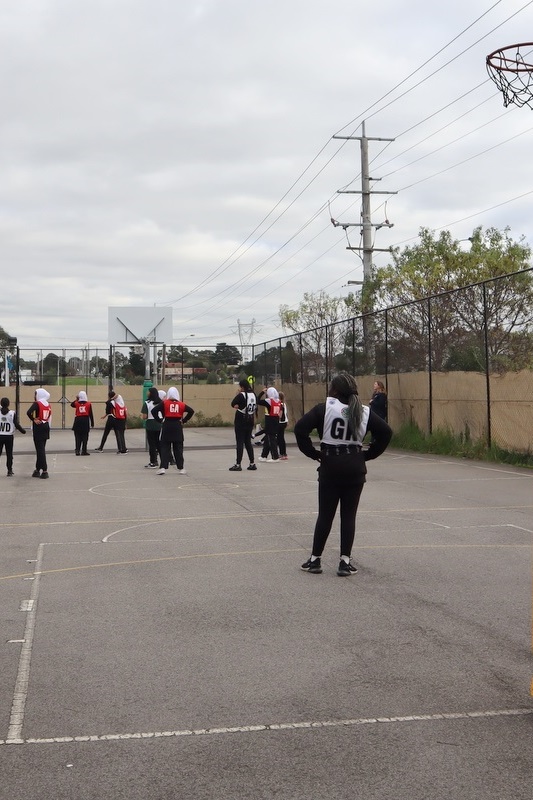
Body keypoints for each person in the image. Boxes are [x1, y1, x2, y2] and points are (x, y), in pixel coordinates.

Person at [294, 372, 391, 576]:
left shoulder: (325, 409)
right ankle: (344, 562)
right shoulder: (364, 411)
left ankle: (315, 560)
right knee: (349, 516)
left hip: (331, 465)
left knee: (325, 515)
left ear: (335, 390)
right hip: (354, 467)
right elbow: (386, 432)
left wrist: (314, 454)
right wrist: (368, 455)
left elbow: (300, 429)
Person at [151, 387, 194, 475]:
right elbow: (191, 411)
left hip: (167, 425)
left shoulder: (164, 403)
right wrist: (184, 420)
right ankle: (181, 468)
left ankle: (163, 467)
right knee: (178, 448)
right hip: (177, 426)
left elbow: (154, 411)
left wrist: (160, 420)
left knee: (165, 447)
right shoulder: (181, 404)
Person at [229, 378, 257, 471]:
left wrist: (238, 404)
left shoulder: (241, 395)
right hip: (250, 419)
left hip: (241, 419)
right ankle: (252, 463)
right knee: (248, 442)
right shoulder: (253, 394)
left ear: (241, 387)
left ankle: (238, 464)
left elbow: (233, 403)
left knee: (240, 442)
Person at [26, 388, 52, 479]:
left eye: (35, 394)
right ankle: (37, 469)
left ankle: (45, 470)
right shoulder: (48, 404)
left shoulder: (37, 404)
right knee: (41, 449)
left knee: (40, 450)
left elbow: (28, 412)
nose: (34, 396)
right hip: (46, 427)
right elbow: (49, 418)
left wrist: (34, 419)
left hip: (39, 427)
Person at [0, 397, 26, 476]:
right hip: (9, 436)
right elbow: (16, 424)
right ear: (8, 404)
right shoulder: (12, 413)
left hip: (0, 435)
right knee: (9, 454)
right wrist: (23, 431)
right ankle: (9, 470)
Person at [257, 386, 281, 462]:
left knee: (272, 440)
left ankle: (275, 457)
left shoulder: (269, 401)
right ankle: (264, 455)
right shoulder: (278, 401)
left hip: (270, 421)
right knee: (268, 439)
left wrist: (262, 392)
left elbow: (257, 401)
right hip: (276, 420)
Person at [141, 387, 163, 468]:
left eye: (148, 392)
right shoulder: (161, 402)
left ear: (150, 393)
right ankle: (164, 461)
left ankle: (153, 461)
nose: (147, 393)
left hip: (150, 423)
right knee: (159, 443)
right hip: (159, 423)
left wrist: (143, 418)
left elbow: (144, 416)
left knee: (152, 444)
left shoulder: (147, 403)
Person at [71, 390, 94, 456]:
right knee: (85, 436)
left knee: (77, 436)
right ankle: (84, 450)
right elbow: (90, 414)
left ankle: (77, 450)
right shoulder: (88, 404)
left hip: (78, 420)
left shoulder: (77, 403)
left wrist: (76, 399)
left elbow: (72, 405)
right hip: (85, 420)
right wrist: (92, 422)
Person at [277, 391, 289, 460]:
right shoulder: (284, 404)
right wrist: (287, 421)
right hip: (284, 422)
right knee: (280, 438)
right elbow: (286, 413)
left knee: (280, 438)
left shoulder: (280, 404)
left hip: (280, 422)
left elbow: (280, 414)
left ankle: (283, 453)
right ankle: (283, 453)